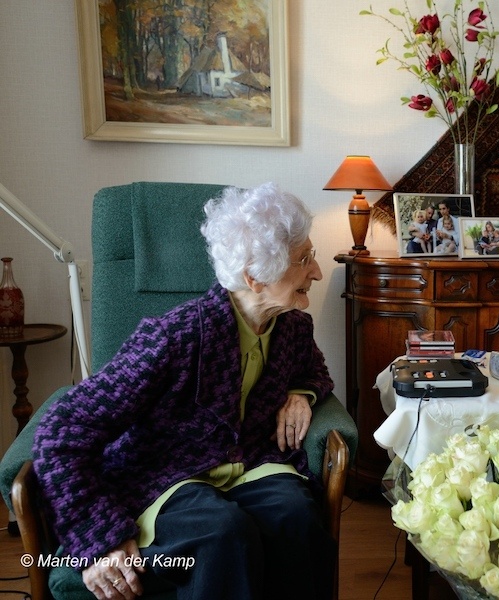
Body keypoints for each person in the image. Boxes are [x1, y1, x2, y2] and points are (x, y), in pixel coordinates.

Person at [33, 183, 337, 600]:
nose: (317, 272)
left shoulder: (292, 327)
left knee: (298, 517)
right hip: (167, 473)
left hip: (251, 460)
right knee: (221, 533)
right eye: (304, 260)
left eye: (311, 255)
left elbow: (313, 369)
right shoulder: (173, 338)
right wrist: (97, 536)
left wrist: (302, 392)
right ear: (255, 277)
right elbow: (61, 430)